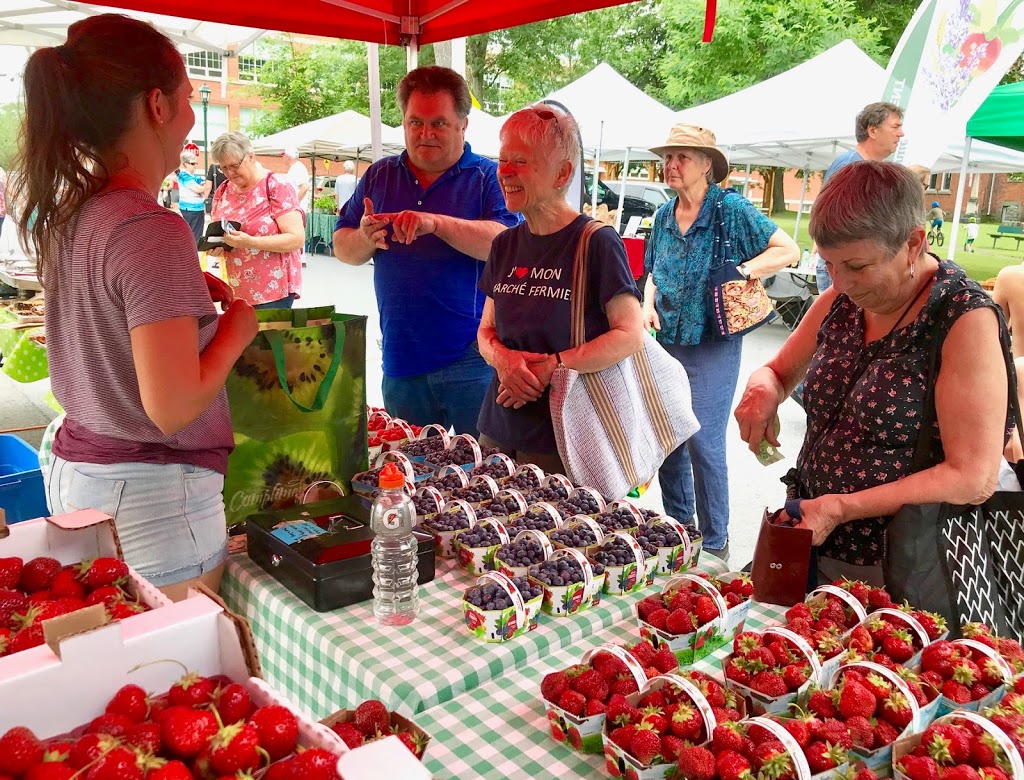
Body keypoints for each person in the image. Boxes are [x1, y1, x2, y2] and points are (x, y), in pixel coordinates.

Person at [14, 14, 258, 600]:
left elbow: (109, 317)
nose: (192, 117)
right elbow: (172, 406)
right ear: (156, 105)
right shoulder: (150, 226)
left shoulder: (72, 212)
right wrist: (236, 331)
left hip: (83, 476)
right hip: (153, 501)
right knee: (173, 674)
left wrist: (182, 295)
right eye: (189, 99)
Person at [735, 162, 1007, 587]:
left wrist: (841, 507)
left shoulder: (962, 319)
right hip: (813, 539)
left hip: (906, 564)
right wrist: (762, 386)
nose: (840, 282)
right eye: (828, 264)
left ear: (913, 243)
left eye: (857, 266)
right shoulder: (840, 300)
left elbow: (973, 477)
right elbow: (779, 371)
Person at [333, 66, 521, 436]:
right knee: (409, 474)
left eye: (439, 123)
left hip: (474, 357)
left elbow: (505, 243)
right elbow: (343, 247)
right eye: (415, 122)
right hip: (401, 357)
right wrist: (366, 238)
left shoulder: (488, 177)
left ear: (463, 125)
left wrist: (434, 223)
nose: (425, 134)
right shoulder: (379, 175)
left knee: (480, 475)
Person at [642, 124, 798, 561]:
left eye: (682, 157)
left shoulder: (730, 210)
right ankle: (680, 529)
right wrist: (646, 304)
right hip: (665, 339)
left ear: (707, 165)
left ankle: (714, 543)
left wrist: (745, 271)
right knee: (669, 436)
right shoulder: (662, 215)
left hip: (712, 340)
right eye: (668, 156)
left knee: (703, 441)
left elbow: (788, 250)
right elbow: (653, 268)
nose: (671, 164)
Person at [476, 105, 645, 472]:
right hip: (498, 429)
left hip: (567, 438)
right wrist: (503, 359)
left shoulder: (596, 242)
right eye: (502, 160)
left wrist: (555, 367)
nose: (504, 172)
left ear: (562, 173)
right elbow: (485, 331)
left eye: (519, 161)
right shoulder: (504, 244)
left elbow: (631, 334)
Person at [209, 131, 305, 309]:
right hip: (237, 289)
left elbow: (296, 238)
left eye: (234, 165)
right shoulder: (223, 190)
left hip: (273, 291)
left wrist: (250, 242)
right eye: (223, 168)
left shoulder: (277, 186)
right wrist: (218, 245)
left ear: (250, 156)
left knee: (266, 337)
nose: (230, 173)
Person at [817, 102, 905, 293]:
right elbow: (834, 223)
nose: (901, 133)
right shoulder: (851, 167)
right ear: (872, 131)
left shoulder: (866, 168)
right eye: (895, 127)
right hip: (844, 271)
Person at [176, 151, 206, 244]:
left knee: (196, 234)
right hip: (191, 209)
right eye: (193, 164)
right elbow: (197, 189)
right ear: (185, 164)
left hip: (196, 208)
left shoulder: (193, 176)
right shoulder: (184, 175)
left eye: (196, 163)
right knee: (194, 235)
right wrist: (207, 187)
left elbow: (201, 184)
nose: (195, 165)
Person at [282, 146, 310, 213]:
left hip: (296, 210)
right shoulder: (295, 167)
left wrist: (294, 204)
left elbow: (304, 187)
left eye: (284, 155)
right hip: (295, 210)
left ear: (288, 157)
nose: (282, 157)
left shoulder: (297, 168)